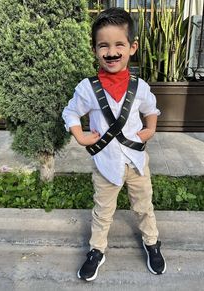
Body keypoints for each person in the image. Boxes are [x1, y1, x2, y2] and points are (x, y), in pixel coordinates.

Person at [62, 7, 166, 281]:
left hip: (136, 162)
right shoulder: (87, 88)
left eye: (119, 44)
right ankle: (97, 250)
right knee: (102, 211)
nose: (111, 52)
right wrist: (80, 135)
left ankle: (152, 242)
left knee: (144, 206)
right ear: (95, 49)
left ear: (132, 47)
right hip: (106, 163)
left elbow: (152, 108)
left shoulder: (139, 86)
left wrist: (150, 129)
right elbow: (71, 112)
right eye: (103, 45)